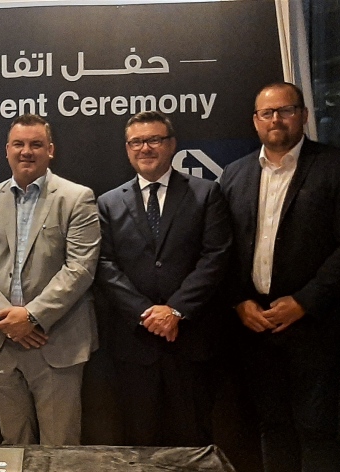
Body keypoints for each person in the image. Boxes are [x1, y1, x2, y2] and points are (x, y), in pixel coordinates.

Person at [219, 82, 340, 472]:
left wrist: (305, 301)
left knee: (316, 430)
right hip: (255, 325)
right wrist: (239, 301)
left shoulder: (338, 166)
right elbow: (223, 248)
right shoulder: (234, 175)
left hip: (315, 324)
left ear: (303, 115)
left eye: (285, 110)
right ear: (255, 121)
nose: (276, 120)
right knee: (272, 427)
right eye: (267, 113)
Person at [0, 114, 100, 445]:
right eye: (19, 144)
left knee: (59, 447)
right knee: (13, 445)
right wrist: (7, 320)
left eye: (36, 144)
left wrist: (31, 317)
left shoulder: (77, 198)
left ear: (50, 150)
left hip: (55, 343)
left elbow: (80, 268)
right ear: (7, 150)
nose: (26, 151)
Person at [95, 111, 232, 446]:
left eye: (154, 140)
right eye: (137, 142)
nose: (145, 148)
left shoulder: (206, 193)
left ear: (172, 144)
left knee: (193, 442)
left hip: (190, 340)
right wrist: (145, 312)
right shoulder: (108, 203)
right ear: (127, 149)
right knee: (139, 442)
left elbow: (215, 257)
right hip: (134, 346)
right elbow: (104, 264)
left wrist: (175, 310)